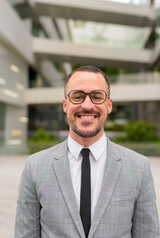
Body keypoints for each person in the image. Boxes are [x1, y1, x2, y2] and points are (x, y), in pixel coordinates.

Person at [14, 65, 160, 238]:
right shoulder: (35, 167)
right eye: (77, 96)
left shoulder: (139, 167)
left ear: (109, 105)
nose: (87, 105)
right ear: (65, 104)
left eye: (97, 96)